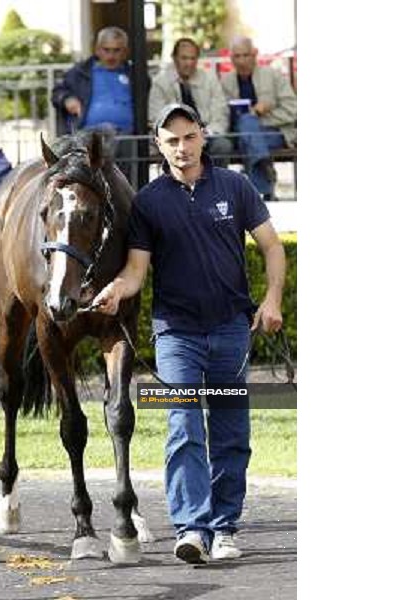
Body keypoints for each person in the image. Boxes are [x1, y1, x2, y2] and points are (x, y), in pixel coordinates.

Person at [91, 103, 286, 563]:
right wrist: (116, 290)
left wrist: (272, 299)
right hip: (176, 333)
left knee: (230, 431)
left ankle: (224, 528)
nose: (182, 147)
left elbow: (273, 247)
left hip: (231, 329)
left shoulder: (236, 188)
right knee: (183, 424)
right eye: (172, 139)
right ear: (159, 145)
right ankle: (192, 528)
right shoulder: (149, 202)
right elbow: (136, 271)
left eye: (189, 136)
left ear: (203, 136)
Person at [51, 26, 137, 181]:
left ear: (125, 52)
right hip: (90, 136)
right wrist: (67, 99)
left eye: (117, 50)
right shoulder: (80, 72)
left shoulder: (134, 74)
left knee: (129, 146)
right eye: (106, 50)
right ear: (97, 50)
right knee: (108, 134)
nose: (111, 55)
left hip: (126, 137)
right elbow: (57, 92)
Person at [220, 37, 297, 201]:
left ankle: (261, 185)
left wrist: (262, 115)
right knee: (247, 131)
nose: (241, 61)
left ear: (254, 55)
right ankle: (264, 174)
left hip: (275, 133)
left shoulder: (273, 75)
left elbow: (293, 109)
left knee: (248, 126)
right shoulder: (226, 81)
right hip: (239, 135)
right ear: (231, 58)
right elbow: (221, 114)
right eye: (237, 56)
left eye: (245, 55)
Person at [149, 38, 233, 167]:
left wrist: (206, 134)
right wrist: (182, 136)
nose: (189, 63)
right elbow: (155, 117)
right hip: (174, 137)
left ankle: (215, 185)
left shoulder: (209, 79)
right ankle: (182, 186)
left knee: (223, 146)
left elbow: (221, 113)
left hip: (207, 134)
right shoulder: (161, 82)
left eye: (192, 58)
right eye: (184, 58)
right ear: (174, 58)